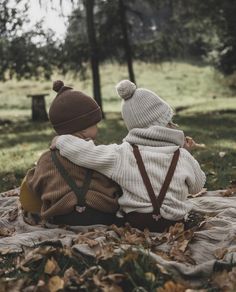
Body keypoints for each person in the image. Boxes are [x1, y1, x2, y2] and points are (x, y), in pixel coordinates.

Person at [51, 80, 206, 232]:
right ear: (166, 124)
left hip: (135, 224)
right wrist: (186, 153)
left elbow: (84, 152)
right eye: (170, 120)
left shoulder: (122, 153)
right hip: (174, 224)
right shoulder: (182, 156)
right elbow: (197, 186)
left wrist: (61, 140)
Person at [20, 80, 121, 226]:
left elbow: (36, 186)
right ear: (84, 128)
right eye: (95, 124)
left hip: (62, 218)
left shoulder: (47, 158)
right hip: (103, 215)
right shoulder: (99, 154)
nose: (97, 128)